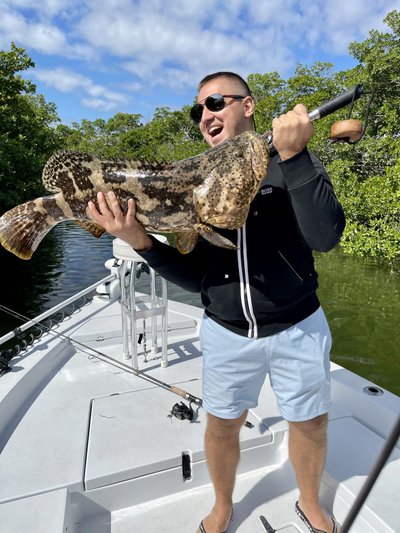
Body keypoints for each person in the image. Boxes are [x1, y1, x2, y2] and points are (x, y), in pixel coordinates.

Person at [87, 71, 344, 533]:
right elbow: (194, 277)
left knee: (310, 423)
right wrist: (141, 241)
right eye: (198, 109)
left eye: (216, 102)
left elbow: (325, 237)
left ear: (248, 106)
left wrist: (297, 154)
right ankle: (223, 505)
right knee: (222, 425)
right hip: (226, 334)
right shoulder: (191, 180)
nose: (205, 114)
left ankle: (310, 502)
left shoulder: (292, 164)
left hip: (299, 327)